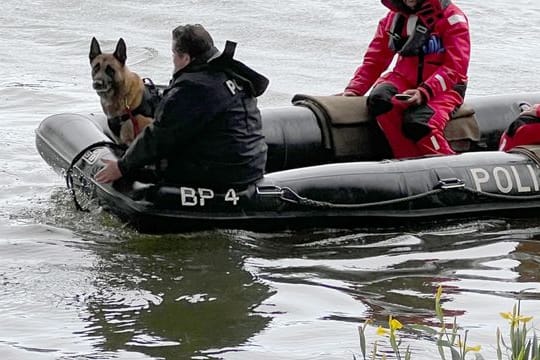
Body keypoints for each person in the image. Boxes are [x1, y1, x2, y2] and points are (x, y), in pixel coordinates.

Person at [95, 24, 269, 191]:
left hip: (222, 175)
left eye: (174, 54)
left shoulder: (192, 89)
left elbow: (160, 136)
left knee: (155, 160)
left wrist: (122, 166)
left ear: (185, 58)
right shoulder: (229, 72)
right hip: (252, 166)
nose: (173, 59)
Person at [342, 0, 470, 158]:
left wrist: (424, 91)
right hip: (405, 79)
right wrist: (353, 90)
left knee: (419, 123)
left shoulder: (453, 18)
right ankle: (405, 159)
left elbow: (456, 67)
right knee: (380, 100)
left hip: (445, 87)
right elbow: (375, 60)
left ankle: (447, 164)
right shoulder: (392, 19)